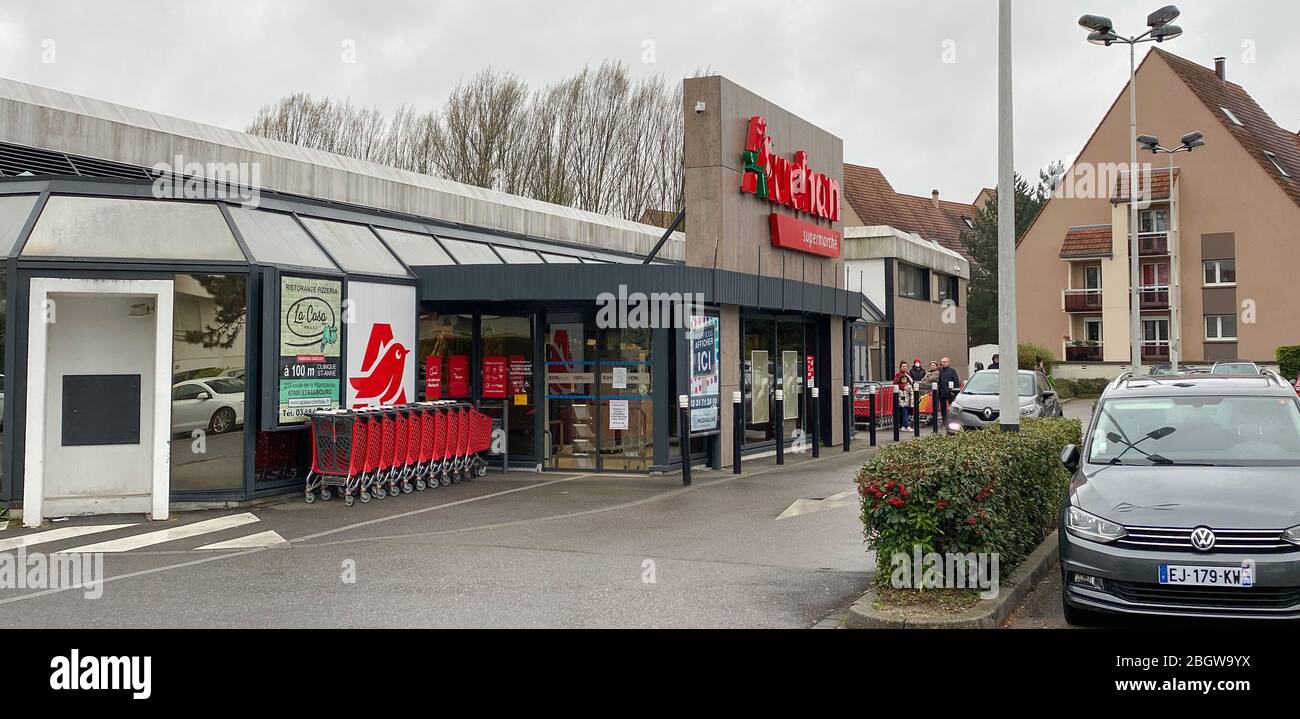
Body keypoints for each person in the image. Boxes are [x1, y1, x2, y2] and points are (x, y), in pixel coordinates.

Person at [938, 357, 962, 423]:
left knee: (952, 406)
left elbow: (956, 381)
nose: (943, 363)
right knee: (943, 407)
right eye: (942, 362)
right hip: (942, 391)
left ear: (948, 362)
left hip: (950, 392)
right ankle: (944, 420)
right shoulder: (940, 371)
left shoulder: (952, 371)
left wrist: (954, 390)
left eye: (944, 362)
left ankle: (953, 419)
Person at [892, 361, 914, 430]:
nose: (905, 367)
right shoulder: (898, 375)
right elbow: (895, 384)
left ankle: (903, 426)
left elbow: (912, 381)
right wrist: (903, 386)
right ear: (900, 367)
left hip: (908, 394)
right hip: (902, 395)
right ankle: (906, 425)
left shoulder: (907, 374)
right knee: (904, 409)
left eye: (906, 366)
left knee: (906, 410)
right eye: (903, 366)